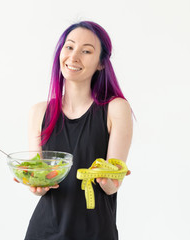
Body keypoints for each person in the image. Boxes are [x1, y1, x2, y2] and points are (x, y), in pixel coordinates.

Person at [20, 21, 133, 240]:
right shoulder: (38, 112)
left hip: (96, 232)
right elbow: (42, 183)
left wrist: (110, 179)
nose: (74, 57)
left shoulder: (116, 109)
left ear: (101, 63)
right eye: (69, 47)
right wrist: (36, 184)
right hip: (43, 231)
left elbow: (111, 188)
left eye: (86, 51)